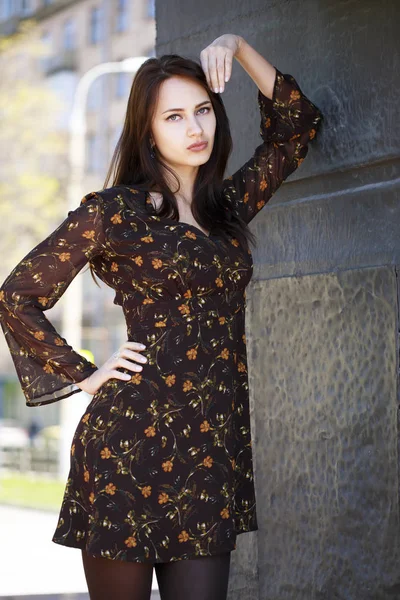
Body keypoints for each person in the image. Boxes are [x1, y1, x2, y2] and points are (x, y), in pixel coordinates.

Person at [0, 33, 323, 600]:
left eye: (202, 111)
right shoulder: (113, 213)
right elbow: (17, 295)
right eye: (173, 117)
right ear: (147, 132)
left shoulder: (227, 206)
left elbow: (297, 128)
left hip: (209, 451)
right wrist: (86, 373)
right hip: (128, 448)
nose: (194, 128)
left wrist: (240, 49)